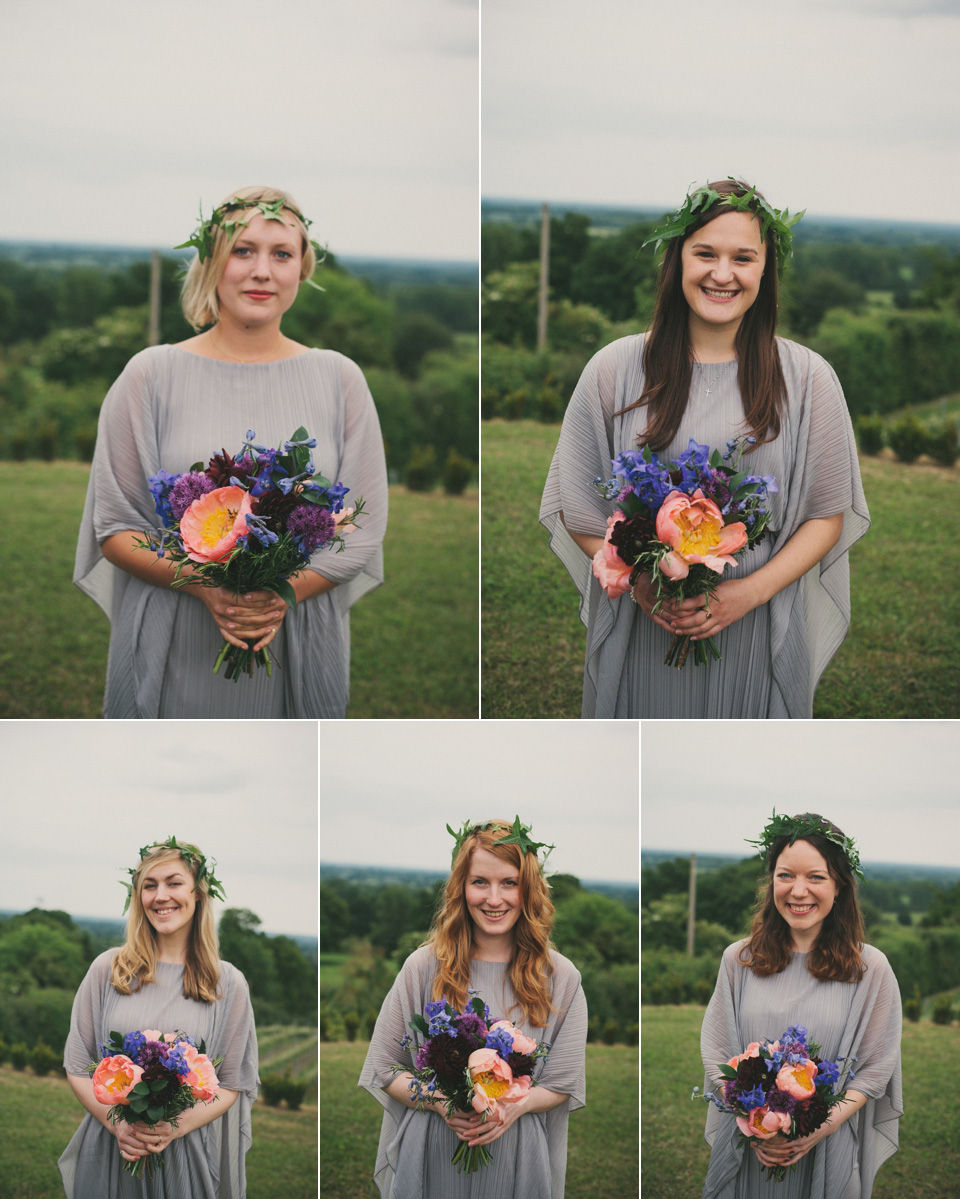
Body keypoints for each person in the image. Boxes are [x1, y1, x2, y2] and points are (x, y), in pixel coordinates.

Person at [540, 179, 870, 718]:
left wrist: (748, 593)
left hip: (755, 634)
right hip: (646, 629)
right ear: (677, 261)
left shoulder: (809, 378)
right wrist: (645, 587)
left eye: (743, 257)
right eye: (705, 254)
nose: (723, 273)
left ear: (766, 269)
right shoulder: (613, 368)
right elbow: (578, 508)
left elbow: (825, 517)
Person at [74, 185, 389, 718]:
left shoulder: (340, 378)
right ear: (212, 262)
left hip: (296, 634)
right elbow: (115, 526)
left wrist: (275, 595)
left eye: (281, 254)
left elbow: (363, 526)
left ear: (301, 269)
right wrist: (208, 590)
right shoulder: (150, 374)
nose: (262, 271)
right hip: (175, 635)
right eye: (243, 251)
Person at [358, 818, 587, 1199]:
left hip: (515, 1151)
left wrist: (514, 1106)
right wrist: (443, 1103)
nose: (493, 899)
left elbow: (562, 1083)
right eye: (480, 881)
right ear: (461, 888)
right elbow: (384, 1068)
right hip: (433, 1148)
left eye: (508, 883)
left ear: (527, 890)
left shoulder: (560, 976)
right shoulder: (423, 967)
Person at [700, 813, 902, 1199]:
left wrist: (810, 1134)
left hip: (826, 1149)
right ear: (771, 880)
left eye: (816, 877)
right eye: (785, 875)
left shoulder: (870, 969)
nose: (798, 891)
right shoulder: (738, 960)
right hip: (750, 1150)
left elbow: (875, 1072)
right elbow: (716, 1052)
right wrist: (758, 1126)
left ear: (840, 886)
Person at [59, 838, 258, 1198]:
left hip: (184, 1155)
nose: (160, 895)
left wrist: (173, 1127)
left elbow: (231, 1083)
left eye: (174, 882)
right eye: (149, 885)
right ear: (138, 898)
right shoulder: (108, 969)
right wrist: (120, 1128)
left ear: (198, 893)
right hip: (112, 1148)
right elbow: (76, 1065)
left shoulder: (227, 983)